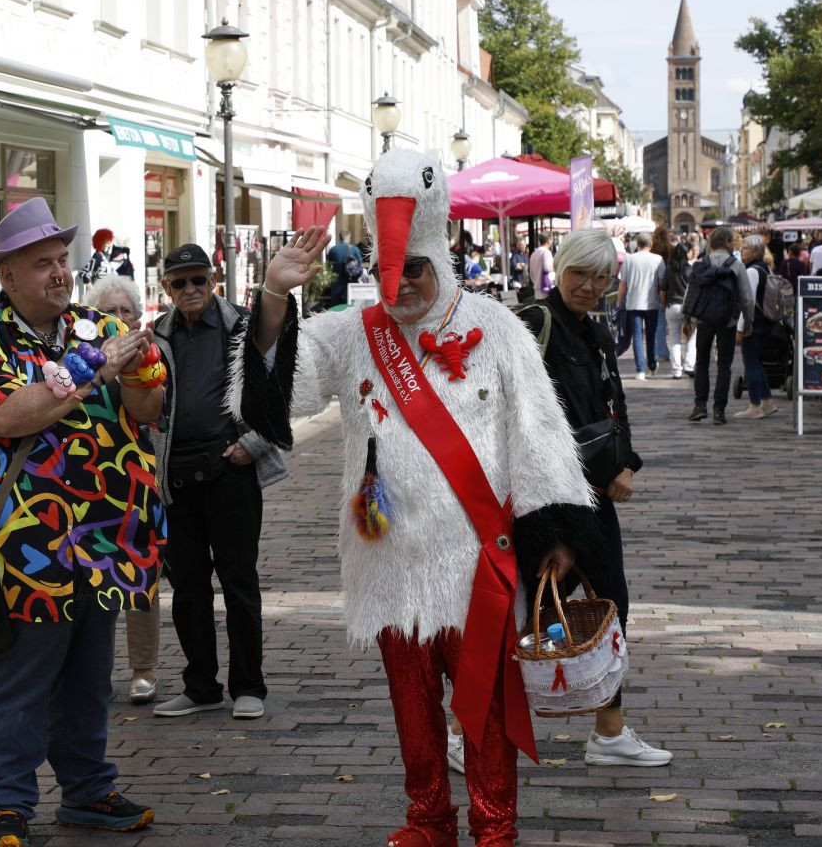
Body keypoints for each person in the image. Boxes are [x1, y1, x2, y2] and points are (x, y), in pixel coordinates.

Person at [236, 149, 596, 847]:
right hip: (389, 562)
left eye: (415, 270)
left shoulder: (497, 327)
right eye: (388, 271)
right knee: (411, 706)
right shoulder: (351, 331)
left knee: (485, 706)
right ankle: (429, 818)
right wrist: (276, 296)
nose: (399, 285)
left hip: (475, 561)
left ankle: (495, 827)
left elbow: (540, 433)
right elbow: (276, 404)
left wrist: (555, 532)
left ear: (441, 254)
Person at [0, 197, 165, 847]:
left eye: (62, 259)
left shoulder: (97, 325)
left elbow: (146, 410)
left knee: (89, 678)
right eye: (42, 263)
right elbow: (10, 416)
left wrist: (141, 373)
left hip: (102, 539)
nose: (60, 272)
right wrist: (95, 368)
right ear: (7, 276)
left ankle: (88, 790)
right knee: (19, 679)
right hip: (24, 549)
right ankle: (6, 806)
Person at [519, 229, 671, 766]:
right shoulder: (533, 324)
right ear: (559, 269)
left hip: (594, 492)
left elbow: (613, 406)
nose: (588, 285)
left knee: (610, 605)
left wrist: (625, 463)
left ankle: (609, 731)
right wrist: (555, 531)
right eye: (579, 273)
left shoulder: (597, 331)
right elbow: (523, 427)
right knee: (523, 616)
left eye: (600, 277)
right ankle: (468, 729)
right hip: (547, 498)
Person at [150, 244, 286, 722]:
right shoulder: (157, 334)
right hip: (176, 476)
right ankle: (201, 686)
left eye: (198, 279)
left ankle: (248, 686)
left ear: (213, 281)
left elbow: (281, 385)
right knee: (187, 587)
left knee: (238, 581)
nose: (190, 289)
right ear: (166, 288)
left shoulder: (243, 326)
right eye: (180, 282)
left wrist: (255, 443)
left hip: (231, 469)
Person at [83, 274, 162, 705]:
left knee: (139, 576)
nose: (117, 318)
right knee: (94, 577)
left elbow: (153, 411)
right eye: (107, 312)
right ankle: (95, 671)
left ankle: (143, 669)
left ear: (136, 316)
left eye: (125, 311)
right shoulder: (80, 357)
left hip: (134, 480)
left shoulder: (147, 355)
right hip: (90, 481)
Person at [681, 225, 754, 425]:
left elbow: (690, 294)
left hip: (704, 320)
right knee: (724, 366)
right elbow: (747, 299)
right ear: (728, 243)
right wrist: (748, 322)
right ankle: (719, 410)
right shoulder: (736, 266)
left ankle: (700, 405)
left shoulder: (701, 263)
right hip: (728, 322)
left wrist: (687, 320)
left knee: (701, 363)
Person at [734, 235, 779, 420]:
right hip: (765, 322)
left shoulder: (752, 271)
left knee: (750, 363)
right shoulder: (766, 268)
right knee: (756, 362)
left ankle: (755, 405)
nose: (742, 251)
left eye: (745, 248)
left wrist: (741, 328)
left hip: (754, 324)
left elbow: (748, 302)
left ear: (754, 251)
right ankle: (767, 401)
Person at [616, 232, 664, 380]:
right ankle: (652, 365)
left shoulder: (630, 260)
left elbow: (622, 284)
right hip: (651, 302)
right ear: (650, 244)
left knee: (637, 337)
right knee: (651, 335)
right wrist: (662, 301)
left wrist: (619, 301)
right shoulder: (658, 259)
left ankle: (640, 370)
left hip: (633, 303)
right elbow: (661, 283)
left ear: (637, 244)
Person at [660, 236, 697, 379]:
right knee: (691, 337)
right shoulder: (690, 270)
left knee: (674, 339)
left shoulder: (669, 270)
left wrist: (664, 306)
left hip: (672, 306)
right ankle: (689, 366)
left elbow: (663, 291)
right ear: (686, 253)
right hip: (687, 308)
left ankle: (676, 370)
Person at [649, 227, 672, 368]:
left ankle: (659, 351)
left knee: (657, 324)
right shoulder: (671, 250)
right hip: (669, 290)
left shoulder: (652, 251)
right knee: (667, 324)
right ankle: (664, 351)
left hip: (653, 290)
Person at [326, 230, 364, 307]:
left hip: (337, 283)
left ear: (340, 238)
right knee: (351, 307)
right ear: (349, 237)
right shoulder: (355, 249)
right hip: (352, 284)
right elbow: (360, 264)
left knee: (336, 308)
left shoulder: (333, 249)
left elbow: (328, 265)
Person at [528, 232, 554, 300]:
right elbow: (548, 268)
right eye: (552, 239)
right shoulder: (546, 252)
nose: (552, 241)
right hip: (545, 287)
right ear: (548, 240)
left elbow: (531, 273)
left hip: (536, 287)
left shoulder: (534, 253)